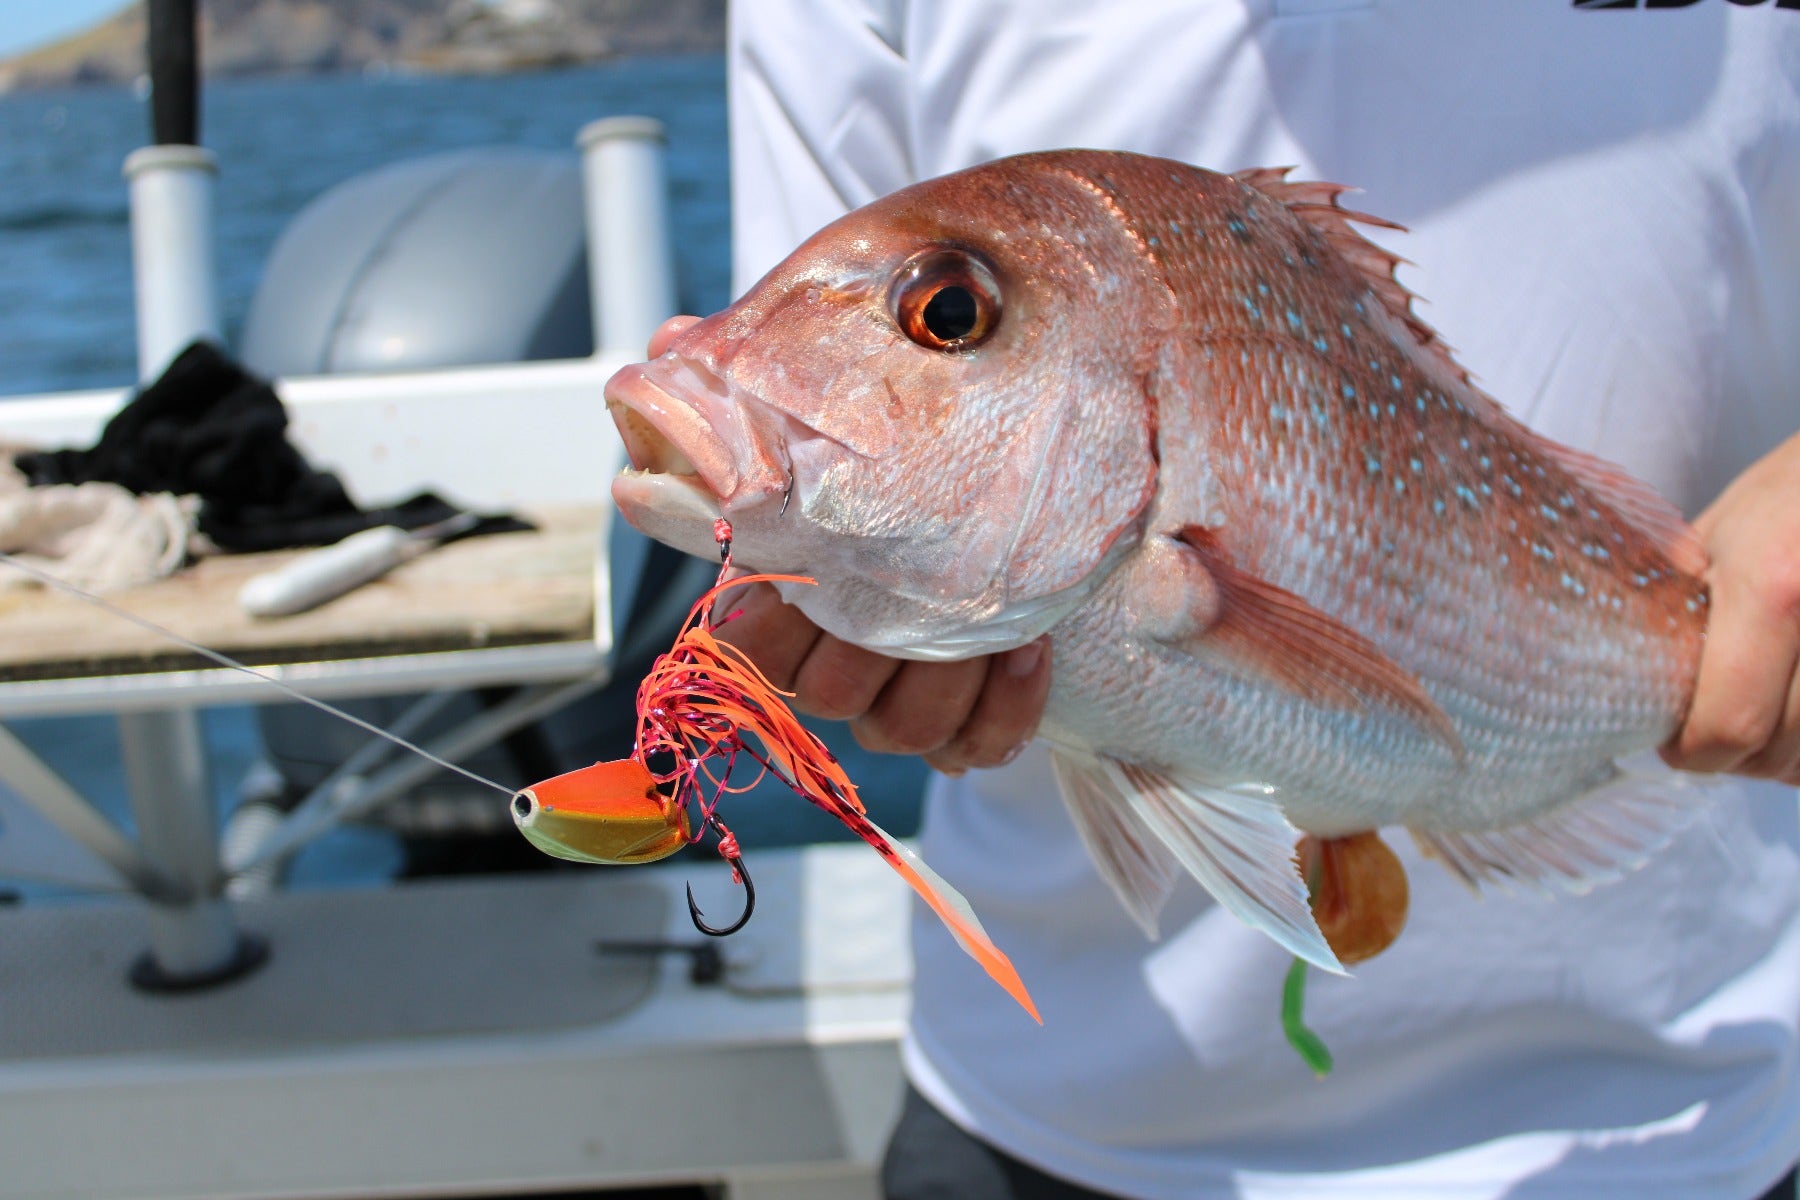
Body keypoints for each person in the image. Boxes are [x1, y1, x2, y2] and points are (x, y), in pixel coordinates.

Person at [672, 4, 1800, 1196]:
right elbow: (810, 403)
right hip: (1055, 1112)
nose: (938, 324)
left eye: (946, 318)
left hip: (1687, 1114)